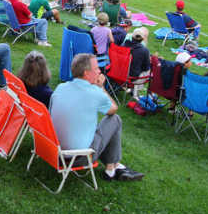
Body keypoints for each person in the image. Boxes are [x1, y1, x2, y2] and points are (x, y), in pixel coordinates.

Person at [49, 53, 143, 182]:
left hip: (52, 151)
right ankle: (111, 169)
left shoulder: (61, 88)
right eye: (97, 68)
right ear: (87, 73)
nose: (100, 71)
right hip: (76, 157)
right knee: (114, 119)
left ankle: (114, 166)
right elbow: (113, 109)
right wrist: (101, 87)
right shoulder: (95, 94)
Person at [122, 28, 151, 99]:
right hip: (132, 78)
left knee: (136, 69)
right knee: (151, 71)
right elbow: (146, 67)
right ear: (142, 38)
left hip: (119, 75)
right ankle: (137, 94)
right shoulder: (144, 50)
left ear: (132, 36)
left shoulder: (123, 45)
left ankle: (134, 92)